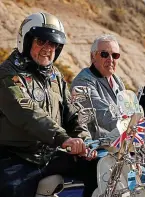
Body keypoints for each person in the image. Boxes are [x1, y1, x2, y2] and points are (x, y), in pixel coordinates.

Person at [0, 12, 98, 196]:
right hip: (16, 157)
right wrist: (64, 138)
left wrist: (85, 141)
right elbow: (28, 113)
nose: (48, 48)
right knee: (12, 190)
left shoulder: (55, 76)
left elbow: (72, 113)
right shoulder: (7, 74)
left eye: (53, 43)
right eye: (41, 41)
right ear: (26, 41)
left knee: (101, 170)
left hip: (50, 154)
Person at [71, 34, 125, 140]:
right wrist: (127, 125)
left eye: (115, 55)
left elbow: (127, 108)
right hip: (94, 147)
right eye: (104, 54)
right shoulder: (84, 81)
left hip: (118, 143)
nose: (110, 59)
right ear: (93, 57)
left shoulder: (117, 81)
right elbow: (101, 113)